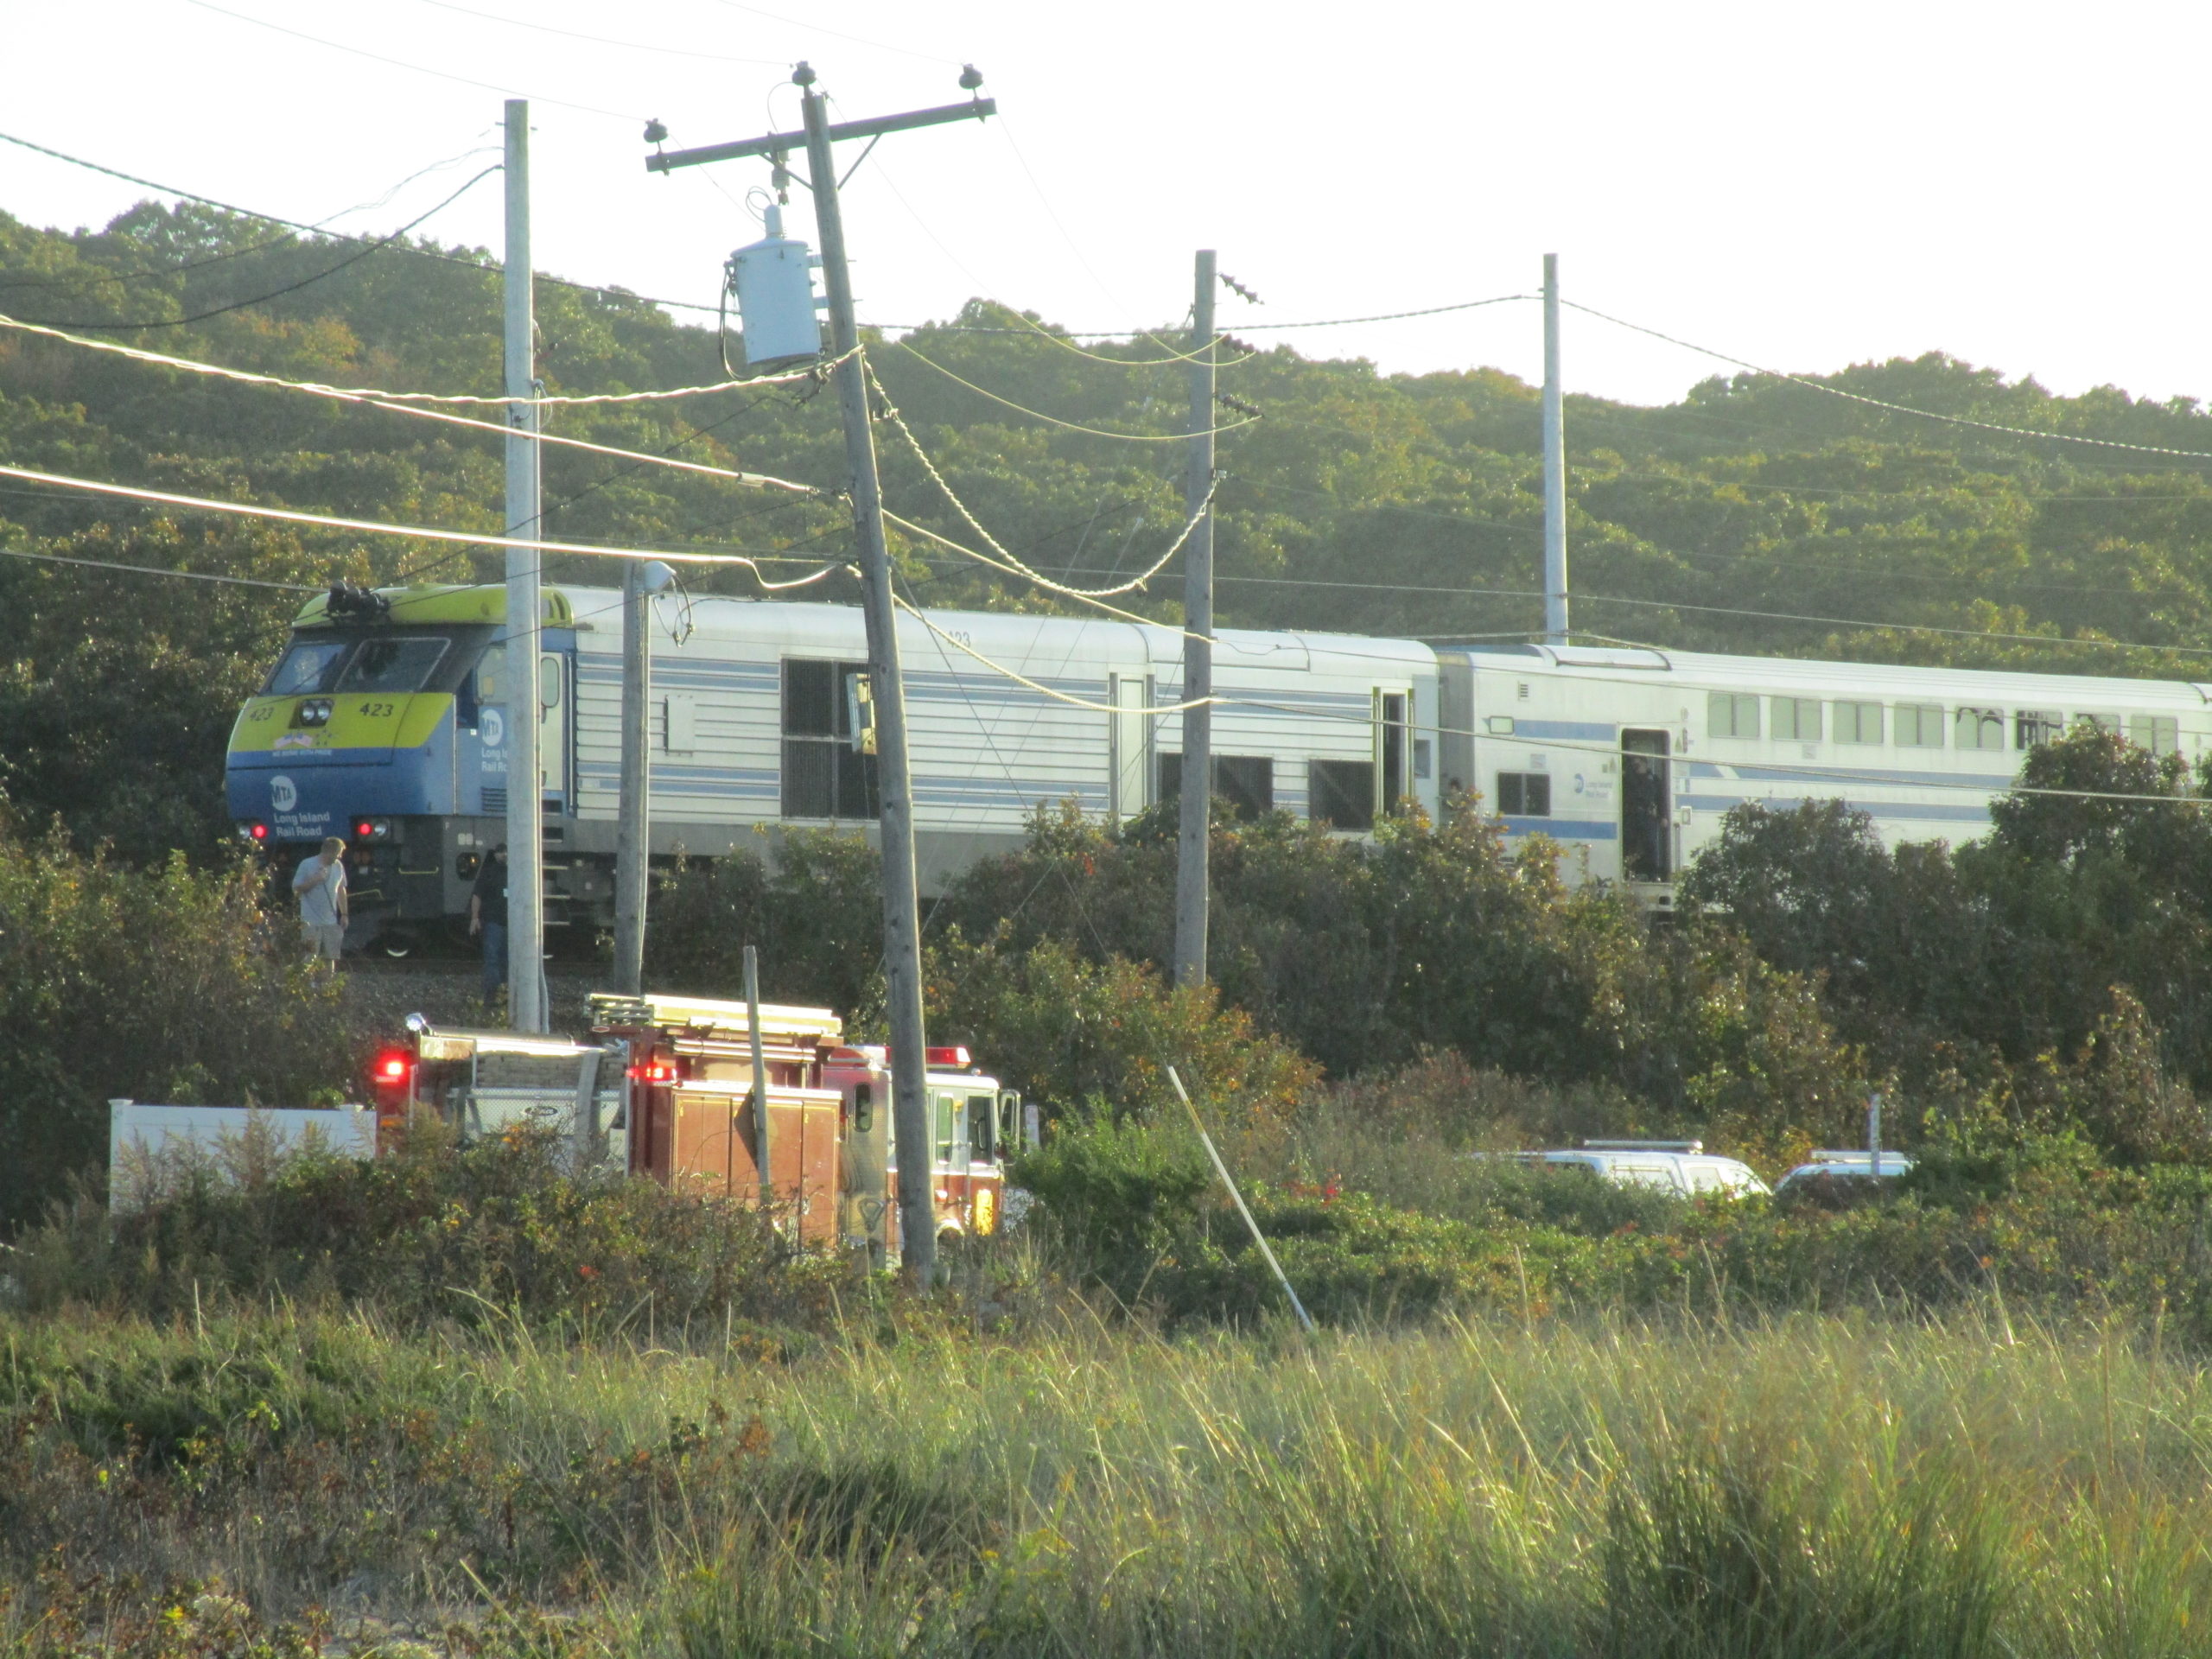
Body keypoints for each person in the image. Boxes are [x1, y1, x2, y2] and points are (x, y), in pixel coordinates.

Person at [292, 836, 348, 964]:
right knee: (309, 958)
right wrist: (314, 880)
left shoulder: (338, 867)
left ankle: (327, 983)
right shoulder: (307, 864)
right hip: (310, 922)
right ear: (330, 852)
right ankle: (308, 984)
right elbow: (296, 889)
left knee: (330, 959)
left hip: (331, 922)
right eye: (338, 853)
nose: (339, 857)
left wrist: (344, 914)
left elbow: (341, 890)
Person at [469, 843, 509, 1003]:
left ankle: (505, 994)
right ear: (495, 854)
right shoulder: (488, 873)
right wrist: (474, 918)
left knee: (507, 960)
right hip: (493, 922)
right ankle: (491, 995)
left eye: (506, 852)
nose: (504, 855)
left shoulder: (515, 872)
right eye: (501, 852)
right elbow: (477, 896)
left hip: (510, 924)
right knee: (492, 959)